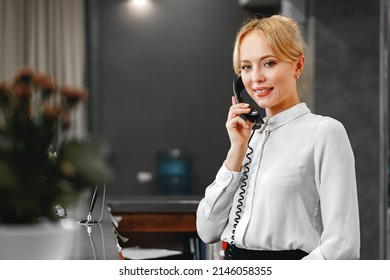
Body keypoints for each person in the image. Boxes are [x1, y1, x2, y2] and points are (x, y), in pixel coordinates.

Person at [196, 15, 360, 260]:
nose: (256, 78)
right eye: (246, 67)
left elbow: (342, 245)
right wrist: (236, 151)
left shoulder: (325, 132)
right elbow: (207, 230)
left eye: (269, 63)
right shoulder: (249, 139)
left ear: (298, 65)